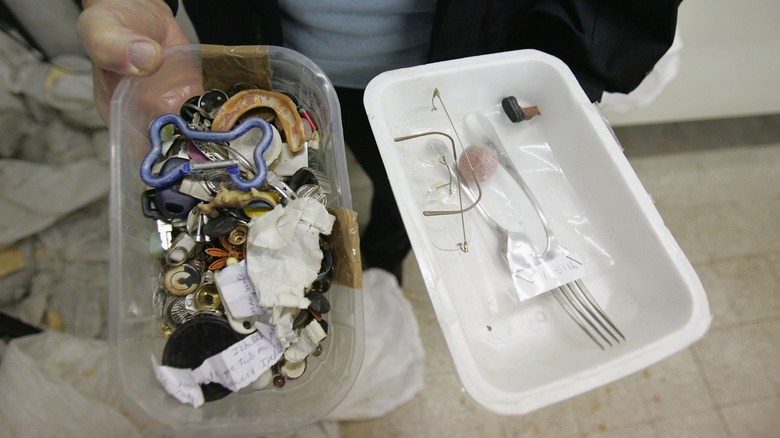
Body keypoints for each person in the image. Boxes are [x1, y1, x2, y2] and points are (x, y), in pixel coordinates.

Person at [77, 0, 681, 283]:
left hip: (452, 66)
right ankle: (318, 264)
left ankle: (385, 261)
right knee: (285, 184)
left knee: (415, 191)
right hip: (266, 55)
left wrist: (553, 76)